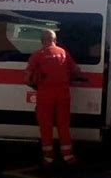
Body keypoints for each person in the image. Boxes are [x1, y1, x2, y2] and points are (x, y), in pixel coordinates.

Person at [24, 29, 81, 167]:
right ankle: (68, 156)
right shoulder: (63, 53)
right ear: (55, 40)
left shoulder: (37, 56)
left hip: (45, 94)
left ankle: (48, 157)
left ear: (42, 41)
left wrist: (34, 86)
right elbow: (77, 71)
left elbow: (27, 78)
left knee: (45, 125)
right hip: (63, 94)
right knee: (63, 125)